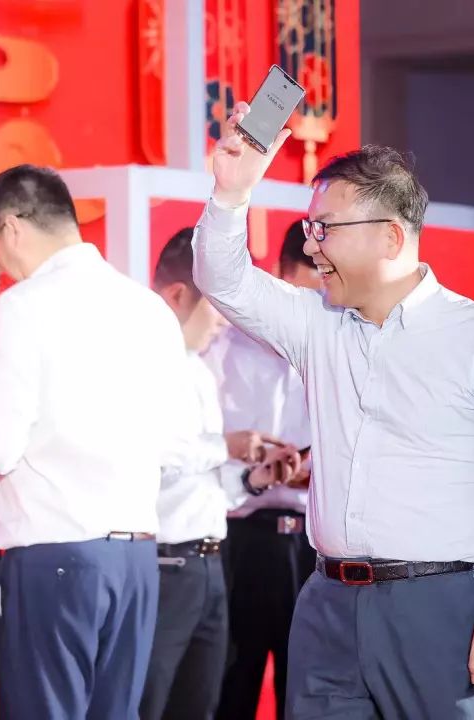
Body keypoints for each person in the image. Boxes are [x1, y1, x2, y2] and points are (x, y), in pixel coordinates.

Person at [192, 102, 474, 719]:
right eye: (310, 229)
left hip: (438, 605)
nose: (312, 246)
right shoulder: (316, 324)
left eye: (324, 229)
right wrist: (231, 194)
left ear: (391, 236)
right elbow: (222, 279)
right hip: (327, 604)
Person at [0, 164, 189, 719]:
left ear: (10, 228)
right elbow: (176, 445)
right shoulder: (148, 307)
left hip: (54, 555)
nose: (0, 263)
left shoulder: (22, 307)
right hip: (136, 558)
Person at [141, 228, 301, 720]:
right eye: (218, 305)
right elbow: (149, 456)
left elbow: (206, 485)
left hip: (208, 560)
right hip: (165, 561)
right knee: (154, 703)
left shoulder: (197, 369)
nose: (225, 320)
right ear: (177, 295)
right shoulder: (140, 363)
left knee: (202, 705)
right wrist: (224, 447)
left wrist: (254, 480)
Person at [206, 220, 321, 720]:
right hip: (241, 538)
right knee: (233, 681)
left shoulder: (335, 348)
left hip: (313, 544)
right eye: (300, 295)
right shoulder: (221, 348)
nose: (309, 311)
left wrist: (315, 471)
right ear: (277, 275)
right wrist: (247, 459)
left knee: (310, 688)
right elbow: (195, 449)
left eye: (322, 296)